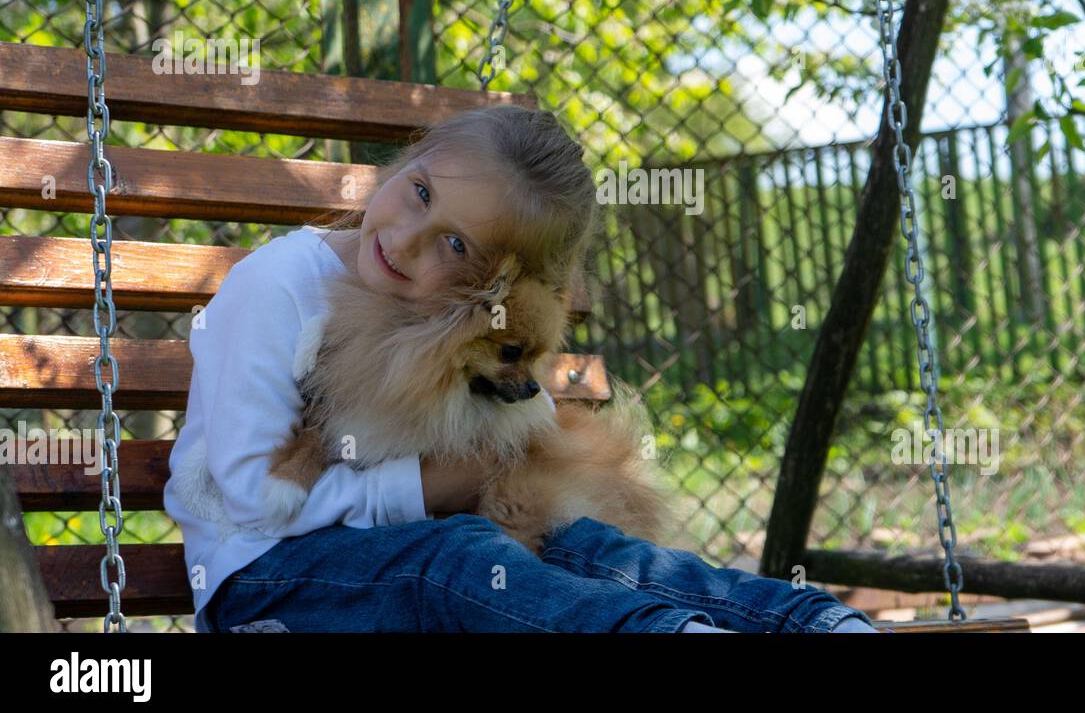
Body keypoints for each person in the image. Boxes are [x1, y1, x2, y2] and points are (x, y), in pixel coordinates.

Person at [163, 105, 882, 633]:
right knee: (456, 553)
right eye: (419, 191)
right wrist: (426, 485)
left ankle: (803, 620)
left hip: (412, 551)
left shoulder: (449, 319)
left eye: (453, 245)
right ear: (409, 160)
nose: (408, 240)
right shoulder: (278, 285)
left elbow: (513, 419)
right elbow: (254, 499)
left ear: (489, 293)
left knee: (581, 542)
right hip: (262, 580)